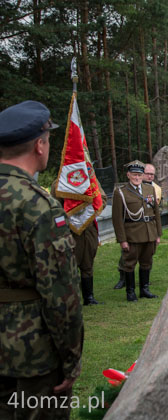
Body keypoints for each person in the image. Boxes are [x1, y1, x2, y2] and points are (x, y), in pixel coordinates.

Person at [0, 100, 84, 419]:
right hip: (30, 355)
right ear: (40, 144)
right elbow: (61, 295)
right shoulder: (37, 206)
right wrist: (71, 358)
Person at [112, 160, 161, 302]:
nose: (137, 178)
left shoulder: (149, 189)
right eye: (134, 175)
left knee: (147, 262)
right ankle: (130, 291)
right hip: (132, 234)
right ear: (128, 175)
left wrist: (158, 234)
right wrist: (122, 240)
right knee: (129, 263)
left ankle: (144, 289)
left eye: (139, 175)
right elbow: (117, 219)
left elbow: (156, 213)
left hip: (149, 232)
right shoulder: (120, 192)